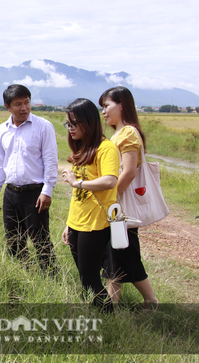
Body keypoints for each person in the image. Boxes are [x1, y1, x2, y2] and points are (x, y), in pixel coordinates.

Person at [99, 86, 158, 307]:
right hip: (116, 205)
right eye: (102, 107)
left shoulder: (128, 133)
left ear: (122, 104)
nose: (103, 111)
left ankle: (151, 301)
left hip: (120, 205)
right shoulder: (118, 133)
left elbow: (129, 171)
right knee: (114, 255)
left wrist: (111, 198)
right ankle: (111, 304)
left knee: (125, 253)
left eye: (107, 105)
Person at [0, 84, 58, 271]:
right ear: (7, 107)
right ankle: (24, 275)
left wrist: (47, 191)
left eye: (27, 102)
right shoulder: (2, 129)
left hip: (35, 193)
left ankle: (50, 278)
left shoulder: (43, 126)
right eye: (18, 104)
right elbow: (0, 161)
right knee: (13, 240)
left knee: (40, 240)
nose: (24, 108)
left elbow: (51, 161)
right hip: (11, 192)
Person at [61, 98, 119, 311]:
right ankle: (100, 314)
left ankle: (108, 317)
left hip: (95, 224)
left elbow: (111, 180)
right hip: (78, 221)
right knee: (85, 277)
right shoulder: (83, 148)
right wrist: (69, 224)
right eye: (68, 124)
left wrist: (78, 182)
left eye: (74, 123)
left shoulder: (106, 148)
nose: (71, 129)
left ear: (89, 122)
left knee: (90, 279)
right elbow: (77, 195)